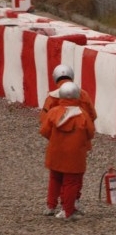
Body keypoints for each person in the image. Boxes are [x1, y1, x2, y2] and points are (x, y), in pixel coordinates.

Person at [40, 64, 96, 216]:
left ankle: (51, 206)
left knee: (55, 176)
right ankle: (71, 206)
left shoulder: (52, 99)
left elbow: (44, 126)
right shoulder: (82, 97)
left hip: (56, 146)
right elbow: (92, 121)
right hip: (78, 147)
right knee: (73, 179)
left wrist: (56, 138)